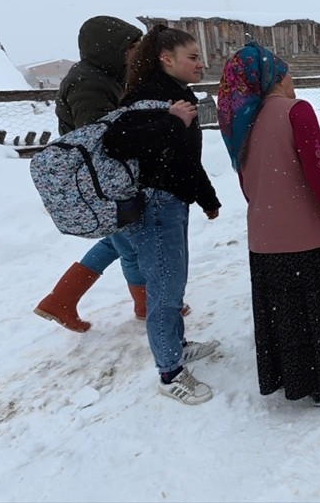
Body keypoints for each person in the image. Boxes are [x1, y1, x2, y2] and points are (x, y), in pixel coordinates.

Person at [218, 44, 320, 407]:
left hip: (264, 237)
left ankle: (291, 378)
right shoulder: (296, 111)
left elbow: (246, 181)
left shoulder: (244, 122)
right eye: (289, 75)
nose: (294, 82)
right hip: (300, 236)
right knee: (316, 314)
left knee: (284, 316)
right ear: (277, 78)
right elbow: (318, 172)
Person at [35, 15, 193, 332]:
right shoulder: (88, 83)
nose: (137, 53)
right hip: (101, 182)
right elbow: (97, 135)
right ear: (109, 48)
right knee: (129, 243)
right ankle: (144, 304)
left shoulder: (107, 75)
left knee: (120, 240)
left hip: (113, 178)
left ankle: (61, 300)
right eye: (131, 47)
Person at [103, 25, 222, 405]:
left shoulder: (175, 94)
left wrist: (206, 197)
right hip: (155, 205)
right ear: (166, 59)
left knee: (173, 281)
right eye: (192, 56)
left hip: (173, 201)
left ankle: (178, 345)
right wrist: (172, 120)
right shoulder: (146, 97)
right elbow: (116, 142)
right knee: (165, 289)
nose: (200, 63)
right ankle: (169, 372)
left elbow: (183, 157)